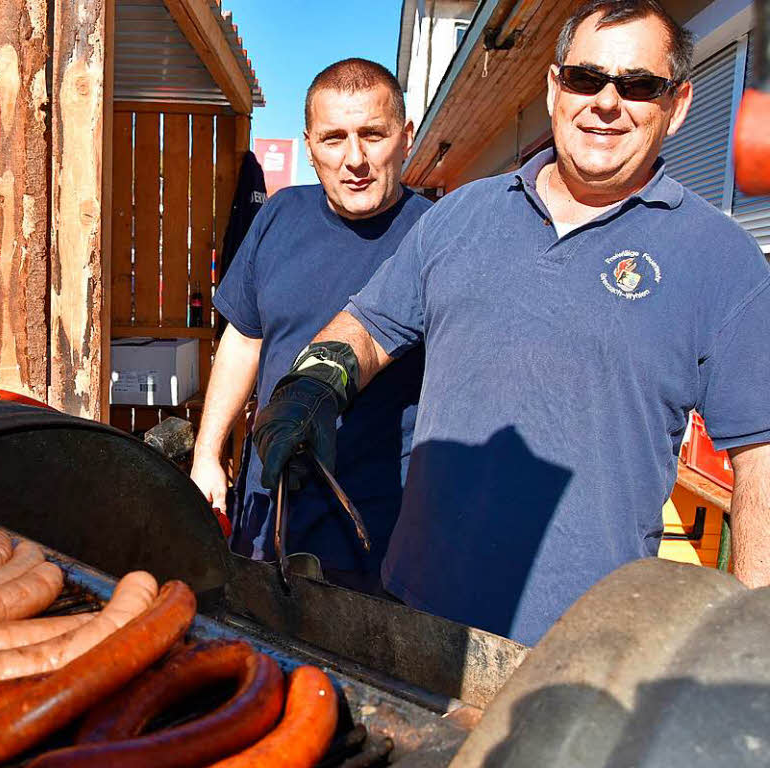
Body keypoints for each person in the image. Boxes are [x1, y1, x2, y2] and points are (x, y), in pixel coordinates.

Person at [252, 0, 770, 645]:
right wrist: (310, 386)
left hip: (589, 639)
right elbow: (367, 325)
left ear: (679, 103)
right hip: (415, 606)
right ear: (555, 87)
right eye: (586, 78)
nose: (607, 102)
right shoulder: (460, 216)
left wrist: (750, 643)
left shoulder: (722, 259)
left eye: (638, 86)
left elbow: (761, 456)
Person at [190, 58, 432, 593]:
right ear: (308, 145)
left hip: (380, 518)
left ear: (406, 136)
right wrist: (208, 454)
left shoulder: (436, 235)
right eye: (333, 138)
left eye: (373, 134)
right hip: (270, 501)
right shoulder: (278, 216)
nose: (355, 159)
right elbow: (244, 339)